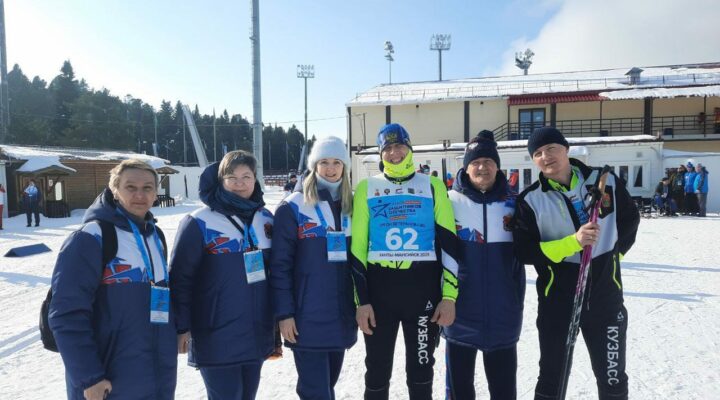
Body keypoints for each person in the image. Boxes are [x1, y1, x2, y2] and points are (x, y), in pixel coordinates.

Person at [512, 127, 640, 400]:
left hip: (605, 299)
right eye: (537, 153)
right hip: (558, 302)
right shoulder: (530, 200)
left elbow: (629, 219)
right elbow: (525, 251)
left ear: (566, 149)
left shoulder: (605, 181)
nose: (546, 156)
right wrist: (573, 242)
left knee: (612, 377)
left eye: (551, 149)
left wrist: (612, 260)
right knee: (552, 378)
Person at [49, 159, 177, 400]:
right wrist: (89, 377)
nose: (140, 194)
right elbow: (67, 313)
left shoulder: (155, 236)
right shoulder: (91, 237)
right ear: (115, 190)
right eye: (131, 187)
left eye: (148, 187)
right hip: (108, 380)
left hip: (158, 376)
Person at [351, 123, 460, 400]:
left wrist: (449, 296)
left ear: (409, 148)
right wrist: (361, 301)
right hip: (380, 291)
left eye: (399, 145)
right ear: (380, 154)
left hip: (421, 290)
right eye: (387, 148)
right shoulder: (367, 188)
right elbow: (358, 248)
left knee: (421, 370)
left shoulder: (433, 185)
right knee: (376, 369)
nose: (394, 152)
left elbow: (449, 243)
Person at [170, 150, 274, 400]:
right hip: (216, 333)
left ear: (255, 179)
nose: (240, 184)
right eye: (232, 177)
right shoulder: (200, 221)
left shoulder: (265, 219)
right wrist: (182, 326)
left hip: (256, 331)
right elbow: (180, 278)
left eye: (246, 176)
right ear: (221, 181)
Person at [270, 136, 357, 400]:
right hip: (306, 317)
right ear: (314, 165)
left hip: (341, 316)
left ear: (345, 167)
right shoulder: (294, 206)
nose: (330, 169)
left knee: (327, 386)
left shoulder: (352, 205)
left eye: (336, 162)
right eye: (324, 162)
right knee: (315, 391)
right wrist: (285, 313)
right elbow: (280, 266)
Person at [444, 130, 525, 400]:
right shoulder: (447, 202)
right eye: (476, 162)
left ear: (497, 166)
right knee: (459, 392)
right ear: (466, 167)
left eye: (489, 162)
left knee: (503, 392)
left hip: (503, 314)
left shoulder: (514, 204)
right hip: (459, 314)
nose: (482, 167)